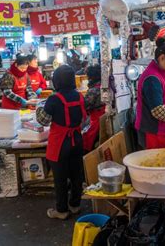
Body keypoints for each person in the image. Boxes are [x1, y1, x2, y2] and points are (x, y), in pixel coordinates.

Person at [36, 65, 87, 220]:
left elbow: (42, 120)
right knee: (77, 175)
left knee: (60, 178)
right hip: (77, 140)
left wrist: (39, 108)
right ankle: (75, 205)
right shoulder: (79, 96)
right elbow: (85, 119)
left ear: (56, 81)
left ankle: (62, 210)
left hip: (60, 143)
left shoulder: (54, 99)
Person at [83, 64, 105, 152]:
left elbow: (85, 105)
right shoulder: (103, 86)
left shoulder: (93, 91)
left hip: (96, 119)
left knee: (87, 138)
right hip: (102, 116)